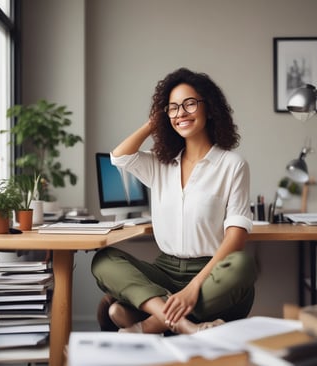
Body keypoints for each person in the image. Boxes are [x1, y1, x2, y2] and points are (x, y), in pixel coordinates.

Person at [91, 67, 257, 335]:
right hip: (165, 269)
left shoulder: (232, 165)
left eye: (190, 104)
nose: (181, 112)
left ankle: (146, 323)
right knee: (103, 260)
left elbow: (236, 238)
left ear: (210, 108)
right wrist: (152, 123)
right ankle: (185, 325)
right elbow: (119, 157)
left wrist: (193, 288)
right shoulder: (160, 163)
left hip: (211, 273)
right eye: (173, 107)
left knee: (243, 266)